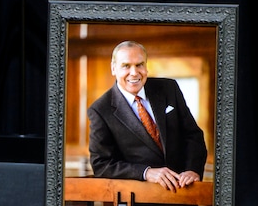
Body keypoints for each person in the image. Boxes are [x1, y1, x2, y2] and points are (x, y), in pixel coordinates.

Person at [87, 40, 207, 192]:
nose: (134, 72)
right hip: (137, 200)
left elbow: (193, 135)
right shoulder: (100, 110)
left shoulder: (169, 88)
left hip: (184, 191)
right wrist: (146, 172)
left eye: (139, 65)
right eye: (126, 66)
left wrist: (193, 170)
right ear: (113, 68)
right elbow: (101, 165)